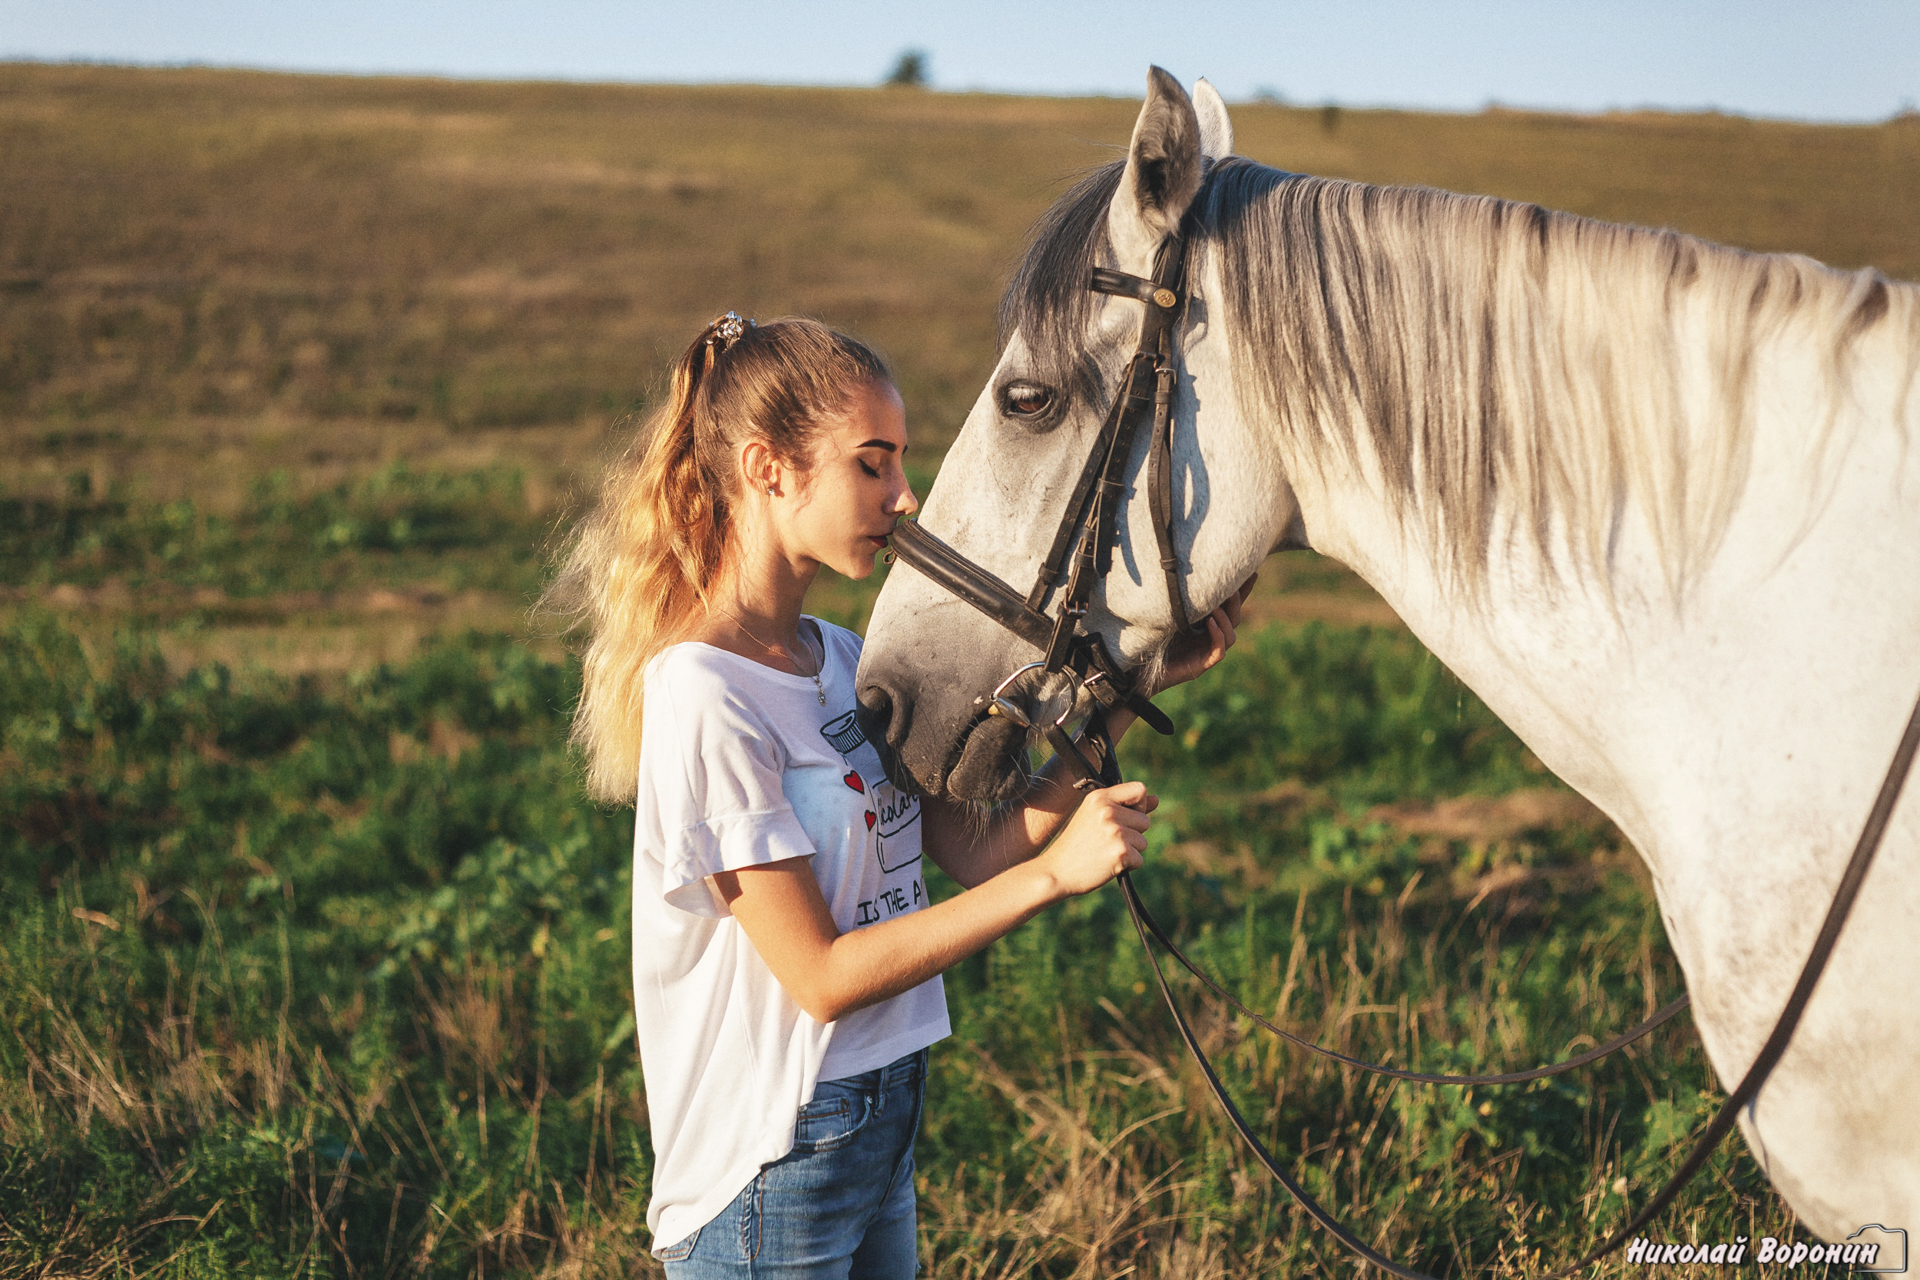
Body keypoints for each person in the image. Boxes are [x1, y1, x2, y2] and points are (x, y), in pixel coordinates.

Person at [543, 312, 1249, 1278]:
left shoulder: (840, 660)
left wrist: (1134, 689)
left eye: (900, 464)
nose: (905, 497)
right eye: (872, 465)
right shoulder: (703, 694)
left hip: (882, 1115)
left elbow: (979, 846)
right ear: (768, 468)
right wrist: (1055, 883)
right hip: (773, 1157)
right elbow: (822, 977)